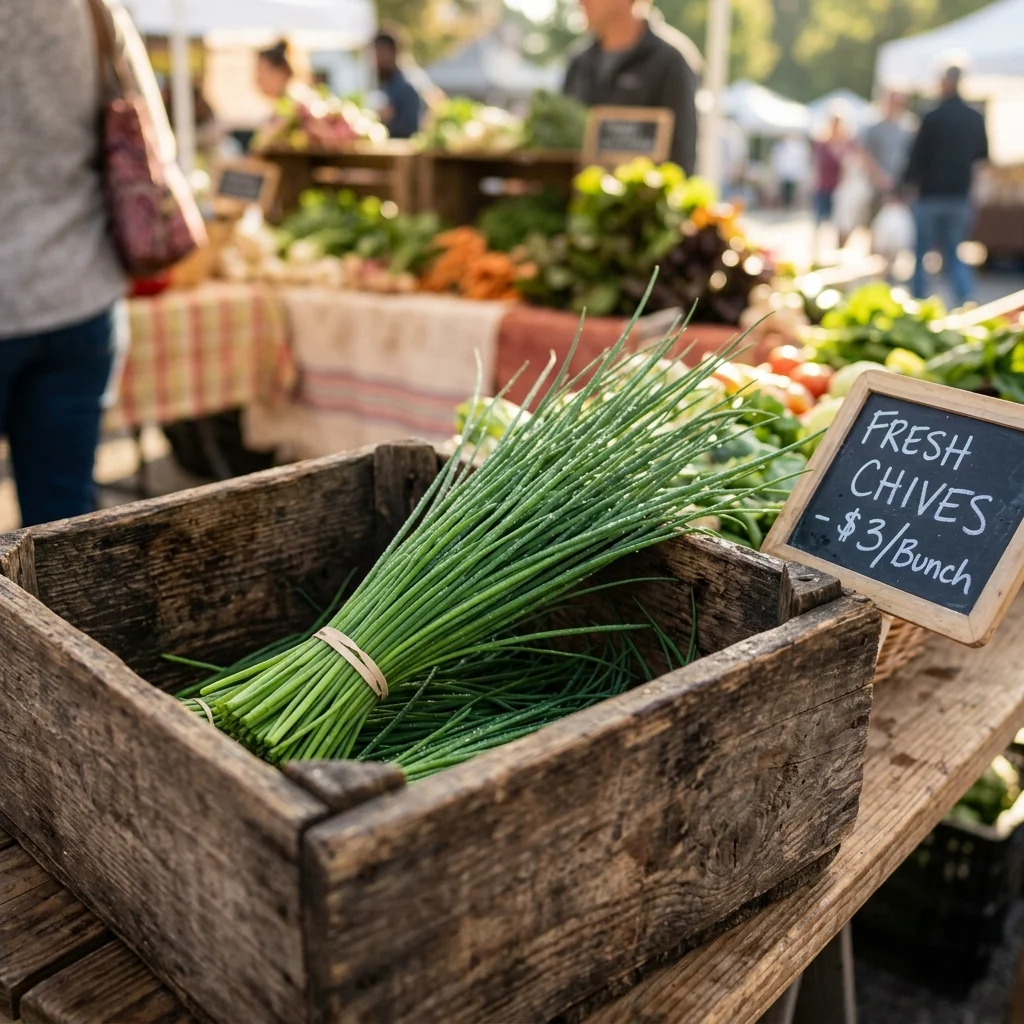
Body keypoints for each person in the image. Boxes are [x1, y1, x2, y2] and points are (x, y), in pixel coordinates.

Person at [0, 0, 131, 526]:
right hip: (78, 290)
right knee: (61, 527)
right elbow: (143, 125)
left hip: (63, 295)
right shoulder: (92, 7)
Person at [563, 0, 700, 174]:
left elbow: (682, 154)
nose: (581, 2)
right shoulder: (579, 62)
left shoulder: (669, 61)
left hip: (645, 191)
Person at [904, 64, 988, 307]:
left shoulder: (931, 117)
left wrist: (906, 188)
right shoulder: (974, 118)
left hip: (930, 196)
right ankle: (965, 299)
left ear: (945, 83)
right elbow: (982, 161)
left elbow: (916, 159)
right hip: (959, 196)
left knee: (922, 252)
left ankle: (917, 304)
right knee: (953, 251)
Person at [860, 92, 915, 217]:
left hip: (901, 185)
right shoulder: (874, 128)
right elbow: (865, 154)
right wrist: (879, 177)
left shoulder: (909, 128)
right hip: (877, 185)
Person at [373, 32, 425, 139]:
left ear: (392, 52)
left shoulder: (406, 86)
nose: (376, 58)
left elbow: (408, 129)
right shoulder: (382, 82)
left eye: (380, 52)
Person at [811, 113, 852, 249]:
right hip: (824, 186)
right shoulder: (823, 144)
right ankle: (816, 249)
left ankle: (838, 249)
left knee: (840, 222)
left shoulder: (846, 145)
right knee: (819, 219)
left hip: (840, 188)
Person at [771, 134, 810, 210]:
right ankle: (785, 204)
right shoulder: (781, 147)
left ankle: (789, 205)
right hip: (785, 172)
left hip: (791, 172)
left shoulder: (797, 147)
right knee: (785, 190)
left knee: (791, 190)